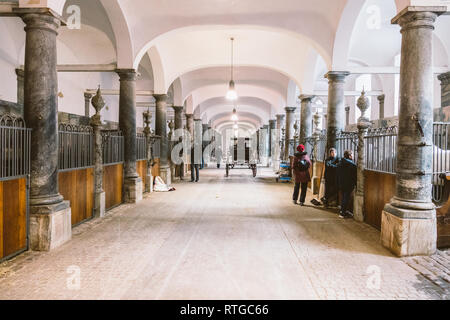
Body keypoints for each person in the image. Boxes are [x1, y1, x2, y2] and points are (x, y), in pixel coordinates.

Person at [337, 150, 357, 219]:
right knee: (346, 198)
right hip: (349, 184)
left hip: (341, 183)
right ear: (349, 156)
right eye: (352, 154)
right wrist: (355, 184)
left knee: (343, 197)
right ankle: (343, 212)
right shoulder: (352, 165)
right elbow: (354, 176)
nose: (353, 156)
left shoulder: (340, 163)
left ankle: (342, 211)